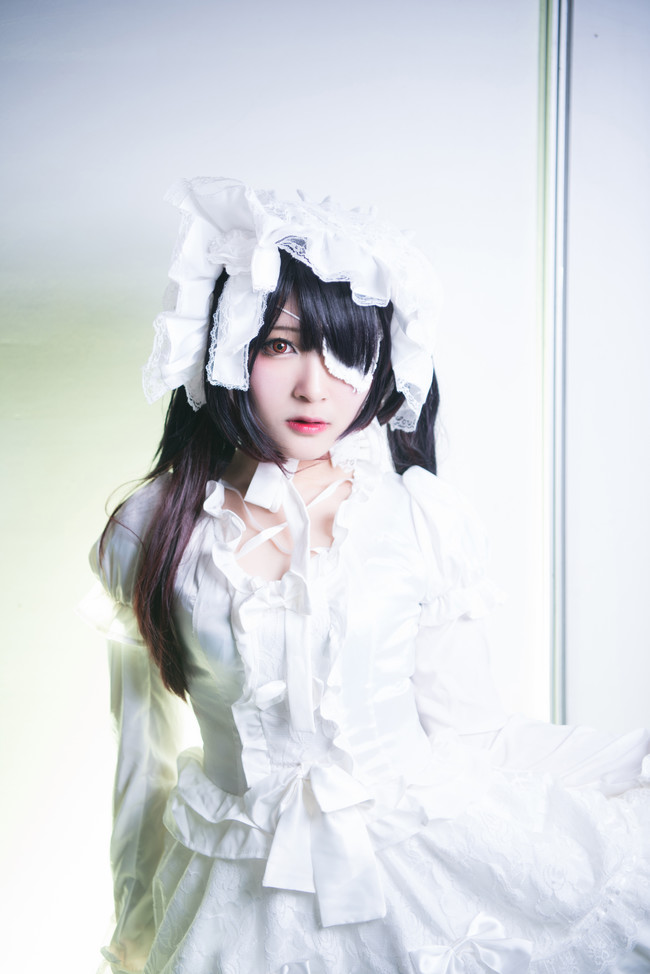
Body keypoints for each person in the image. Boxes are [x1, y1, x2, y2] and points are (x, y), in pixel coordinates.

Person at [82, 177, 650, 974]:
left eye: (347, 350)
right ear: (227, 343)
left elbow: (475, 734)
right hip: (227, 909)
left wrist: (629, 763)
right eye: (281, 344)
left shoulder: (420, 518)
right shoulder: (147, 531)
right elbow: (141, 764)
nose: (316, 385)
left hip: (417, 884)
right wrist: (136, 933)